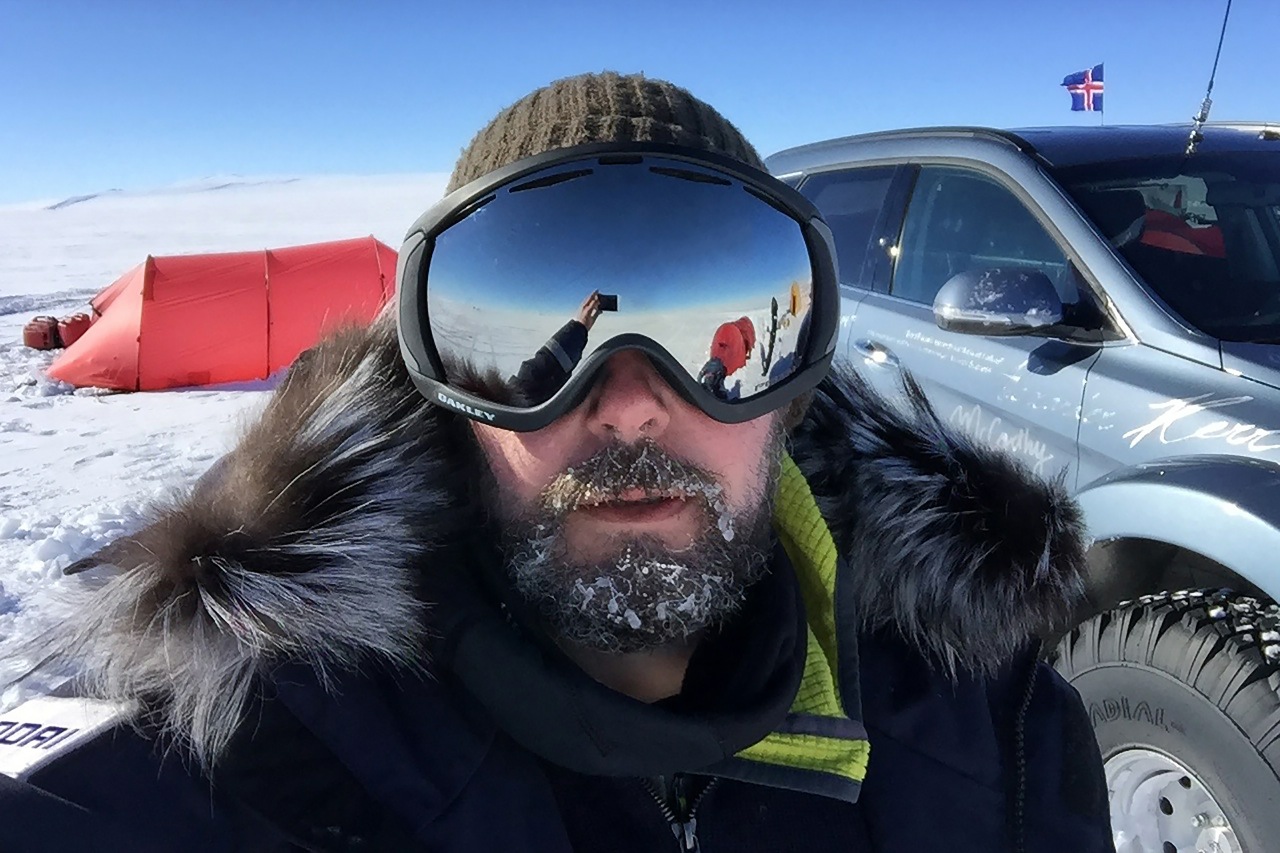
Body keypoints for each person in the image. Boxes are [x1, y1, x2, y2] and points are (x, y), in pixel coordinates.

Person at [0, 72, 1113, 852]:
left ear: (795, 390)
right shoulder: (240, 736)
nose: (628, 407)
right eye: (545, 361)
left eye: (707, 347)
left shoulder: (993, 725)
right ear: (437, 394)